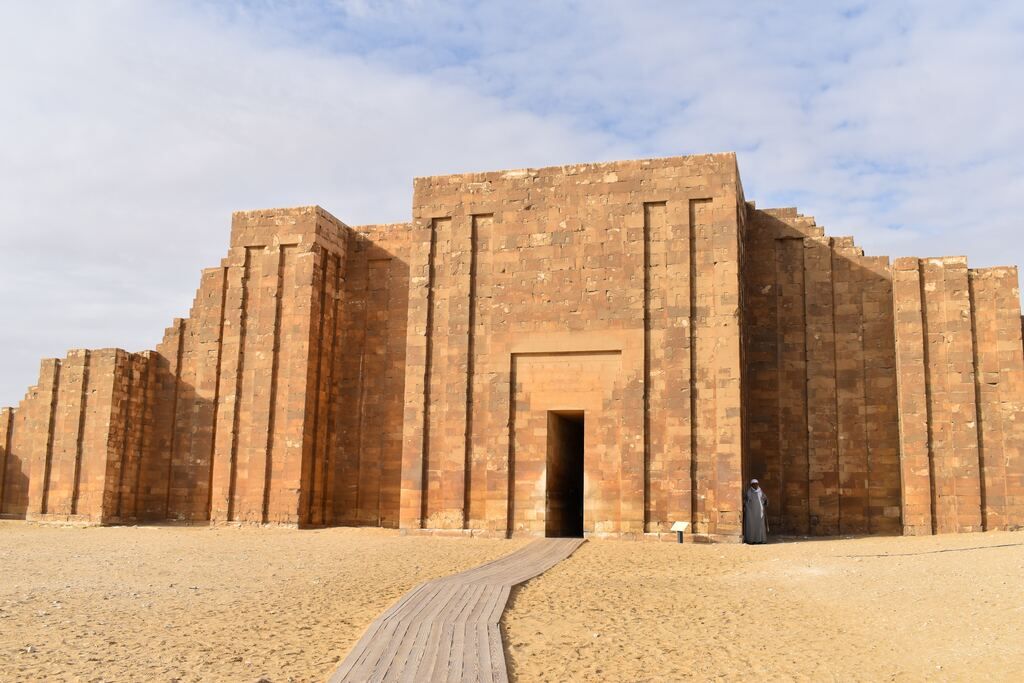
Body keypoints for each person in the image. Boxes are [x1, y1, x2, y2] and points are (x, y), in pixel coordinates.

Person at [743, 479, 768, 544]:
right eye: (754, 484)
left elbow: (765, 499)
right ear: (751, 485)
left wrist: (765, 500)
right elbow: (746, 501)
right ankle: (751, 540)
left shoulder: (760, 491)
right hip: (751, 512)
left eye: (756, 483)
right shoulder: (749, 492)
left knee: (760, 525)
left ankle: (760, 540)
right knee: (751, 525)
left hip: (760, 511)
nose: (755, 485)